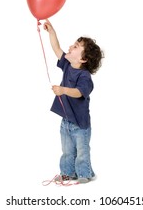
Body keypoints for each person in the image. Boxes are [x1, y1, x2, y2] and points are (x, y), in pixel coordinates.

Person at [43, 19, 104, 184]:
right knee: (67, 151)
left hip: (80, 124)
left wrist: (63, 90)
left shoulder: (85, 77)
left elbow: (78, 93)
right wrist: (52, 31)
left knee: (82, 151)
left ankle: (84, 173)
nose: (71, 46)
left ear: (83, 59)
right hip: (66, 121)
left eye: (76, 46)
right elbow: (56, 48)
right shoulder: (68, 65)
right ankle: (67, 173)